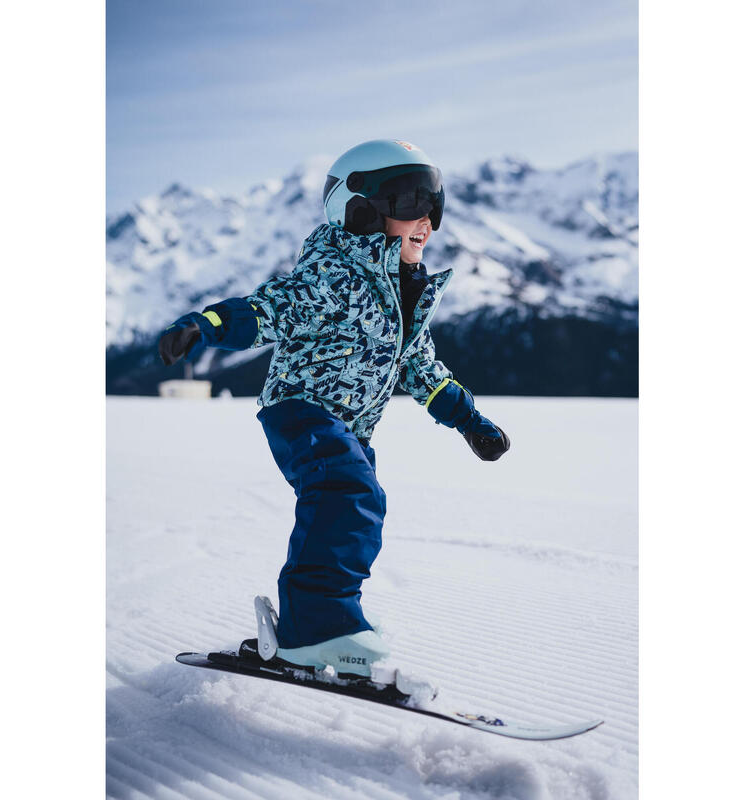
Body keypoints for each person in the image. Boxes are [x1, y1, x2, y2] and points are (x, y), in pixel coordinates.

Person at [159, 140, 509, 676]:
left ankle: (318, 620)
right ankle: (318, 628)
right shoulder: (333, 275)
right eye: (409, 199)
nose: (427, 218)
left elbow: (422, 369)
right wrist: (204, 325)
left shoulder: (405, 295)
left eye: (434, 202)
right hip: (301, 410)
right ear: (359, 209)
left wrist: (471, 422)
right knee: (348, 495)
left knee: (358, 508)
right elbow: (271, 308)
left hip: (350, 428)